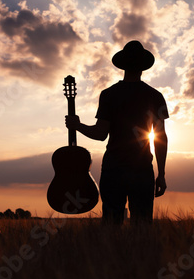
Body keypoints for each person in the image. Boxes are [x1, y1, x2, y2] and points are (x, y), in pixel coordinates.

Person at [65, 40, 168, 224]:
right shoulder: (155, 96)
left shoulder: (109, 94)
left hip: (114, 168)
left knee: (111, 226)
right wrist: (161, 174)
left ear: (123, 65)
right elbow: (160, 138)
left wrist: (78, 126)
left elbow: (100, 133)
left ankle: (111, 253)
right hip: (142, 169)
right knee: (142, 227)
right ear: (143, 67)